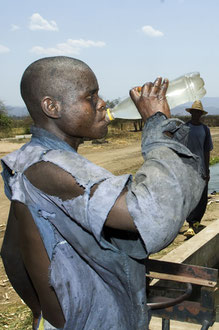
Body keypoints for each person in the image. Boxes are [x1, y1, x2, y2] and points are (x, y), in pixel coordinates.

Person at [1, 56, 205, 330]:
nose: (102, 103)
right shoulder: (56, 168)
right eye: (91, 96)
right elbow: (153, 215)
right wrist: (159, 126)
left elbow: (12, 253)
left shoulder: (29, 158)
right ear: (52, 106)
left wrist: (42, 314)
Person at [184, 100, 213, 238]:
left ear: (201, 114)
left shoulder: (205, 129)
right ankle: (190, 223)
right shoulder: (184, 128)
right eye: (194, 112)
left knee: (202, 196)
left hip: (201, 168)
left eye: (198, 113)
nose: (196, 114)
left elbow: (207, 150)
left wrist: (207, 170)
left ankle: (196, 222)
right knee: (191, 196)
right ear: (191, 113)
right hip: (188, 168)